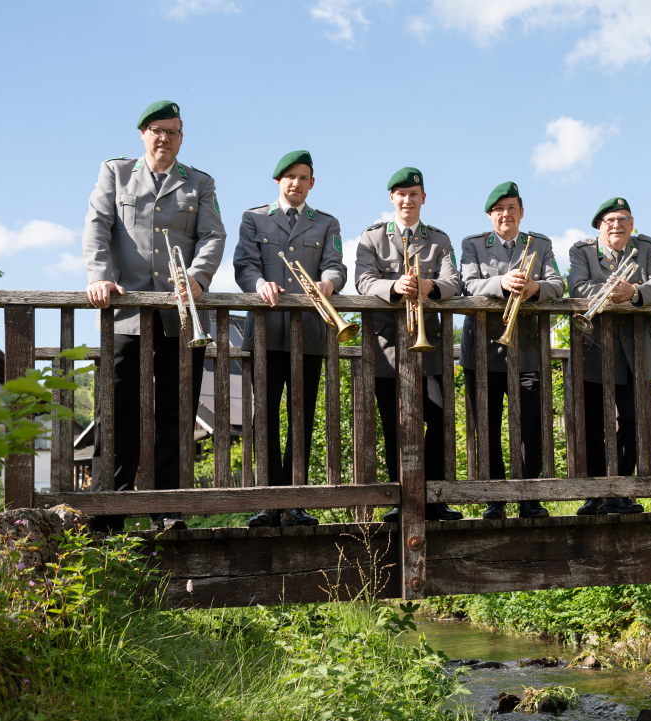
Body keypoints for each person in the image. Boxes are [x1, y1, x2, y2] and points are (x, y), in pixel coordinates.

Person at [83, 100, 225, 532]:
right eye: (156, 130)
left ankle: (167, 506)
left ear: (182, 137)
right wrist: (100, 276)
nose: (164, 137)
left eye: (173, 131)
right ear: (143, 133)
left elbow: (213, 235)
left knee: (177, 411)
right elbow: (97, 225)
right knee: (115, 408)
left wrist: (198, 279)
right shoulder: (116, 172)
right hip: (125, 312)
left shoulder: (199, 182)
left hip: (179, 316)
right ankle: (109, 506)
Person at [234, 150, 345, 528]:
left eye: (303, 177)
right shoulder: (253, 218)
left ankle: (295, 501)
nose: (296, 183)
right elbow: (244, 265)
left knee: (302, 416)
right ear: (278, 182)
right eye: (289, 177)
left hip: (309, 335)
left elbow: (336, 263)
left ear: (312, 183)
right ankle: (268, 501)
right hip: (265, 333)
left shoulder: (327, 223)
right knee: (263, 416)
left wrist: (329, 280)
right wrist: (259, 283)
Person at [354, 167, 463, 522]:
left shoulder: (439, 239)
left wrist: (429, 286)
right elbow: (362, 281)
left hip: (429, 349)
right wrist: (393, 287)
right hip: (387, 349)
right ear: (391, 198)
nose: (407, 200)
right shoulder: (371, 238)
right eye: (401, 194)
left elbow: (454, 282)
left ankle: (434, 497)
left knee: (440, 418)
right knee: (394, 426)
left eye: (413, 194)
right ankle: (401, 499)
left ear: (423, 198)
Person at [459, 182, 565, 519]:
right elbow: (467, 284)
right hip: (482, 351)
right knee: (487, 425)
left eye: (512, 208)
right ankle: (495, 498)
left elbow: (559, 286)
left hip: (527, 353)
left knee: (529, 425)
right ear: (491, 215)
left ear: (521, 212)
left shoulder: (541, 244)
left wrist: (535, 287)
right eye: (499, 209)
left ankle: (529, 496)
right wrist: (500, 283)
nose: (506, 214)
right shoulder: (473, 245)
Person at [568, 197, 651, 515]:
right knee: (592, 421)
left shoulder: (646, 248)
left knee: (634, 418)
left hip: (634, 348)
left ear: (632, 224)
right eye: (610, 220)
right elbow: (577, 286)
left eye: (623, 219)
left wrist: (635, 293)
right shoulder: (582, 250)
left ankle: (620, 491)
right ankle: (596, 492)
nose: (617, 225)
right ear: (599, 226)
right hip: (594, 347)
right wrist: (610, 292)